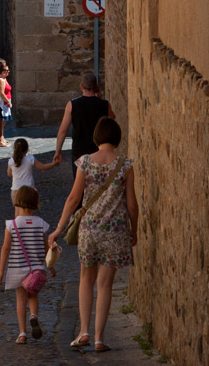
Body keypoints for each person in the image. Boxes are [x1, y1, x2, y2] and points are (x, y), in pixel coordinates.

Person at [47, 117, 138, 353]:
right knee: (105, 285)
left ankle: (84, 331)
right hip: (116, 231)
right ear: (117, 138)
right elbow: (132, 204)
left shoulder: (85, 162)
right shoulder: (125, 166)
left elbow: (73, 199)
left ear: (97, 137)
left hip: (89, 230)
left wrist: (59, 228)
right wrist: (135, 230)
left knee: (86, 279)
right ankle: (99, 338)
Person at [0, 185, 53, 344]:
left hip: (17, 268)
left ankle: (22, 333)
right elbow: (46, 247)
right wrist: (51, 266)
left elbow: (5, 248)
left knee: (20, 299)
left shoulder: (11, 225)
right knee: (33, 296)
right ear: (35, 203)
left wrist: (1, 272)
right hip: (36, 269)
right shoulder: (40, 223)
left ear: (17, 202)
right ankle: (33, 316)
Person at [53, 72, 115, 177]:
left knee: (79, 184)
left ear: (81, 86)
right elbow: (112, 118)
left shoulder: (72, 105)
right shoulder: (104, 104)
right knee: (98, 183)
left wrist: (58, 151)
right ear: (96, 88)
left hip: (79, 152)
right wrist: (100, 98)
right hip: (98, 151)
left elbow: (63, 131)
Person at [7, 137, 56, 205]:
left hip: (15, 189)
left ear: (14, 149)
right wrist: (54, 164)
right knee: (29, 208)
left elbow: (9, 174)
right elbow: (43, 167)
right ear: (27, 150)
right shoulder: (30, 159)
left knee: (17, 210)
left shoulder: (11, 161)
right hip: (29, 189)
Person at [0, 64, 12, 146]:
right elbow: (1, 93)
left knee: (3, 123)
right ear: (2, 71)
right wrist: (8, 102)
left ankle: (1, 138)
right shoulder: (1, 80)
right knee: (1, 123)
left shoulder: (4, 79)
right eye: (6, 70)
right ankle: (0, 141)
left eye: (8, 70)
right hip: (3, 104)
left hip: (5, 104)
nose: (8, 72)